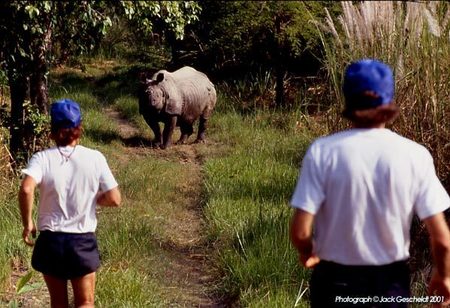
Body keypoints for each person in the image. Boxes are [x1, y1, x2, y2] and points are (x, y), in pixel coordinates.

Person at [289, 59, 450, 307]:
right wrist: (444, 275)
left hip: (333, 283)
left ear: (348, 99)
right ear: (389, 100)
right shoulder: (415, 155)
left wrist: (307, 250)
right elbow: (441, 239)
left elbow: (300, 231)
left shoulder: (322, 152)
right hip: (389, 285)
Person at [19, 99, 121, 308]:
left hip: (50, 242)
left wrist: (28, 222)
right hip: (81, 242)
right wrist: (95, 200)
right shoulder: (95, 158)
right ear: (79, 128)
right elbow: (114, 198)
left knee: (58, 304)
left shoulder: (42, 159)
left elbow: (27, 188)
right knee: (85, 302)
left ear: (53, 130)